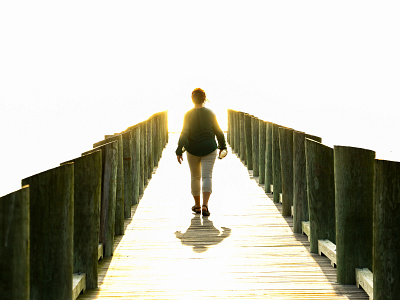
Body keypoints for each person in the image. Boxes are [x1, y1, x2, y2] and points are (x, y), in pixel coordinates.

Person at [176, 88, 227, 216]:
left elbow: (184, 133)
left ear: (192, 99)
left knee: (195, 177)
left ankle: (197, 206)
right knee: (207, 176)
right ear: (204, 99)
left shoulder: (188, 114)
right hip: (209, 149)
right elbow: (219, 132)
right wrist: (223, 146)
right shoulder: (210, 113)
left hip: (192, 149)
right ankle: (205, 205)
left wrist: (179, 150)